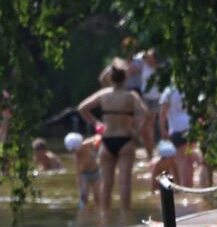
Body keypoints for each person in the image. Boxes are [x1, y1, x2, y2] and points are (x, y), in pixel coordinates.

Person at [77, 62, 147, 210]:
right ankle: (125, 216)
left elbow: (82, 108)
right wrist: (137, 132)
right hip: (126, 138)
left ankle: (104, 217)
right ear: (125, 79)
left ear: (111, 79)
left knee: (106, 183)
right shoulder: (131, 96)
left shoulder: (104, 95)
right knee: (124, 182)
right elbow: (145, 114)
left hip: (107, 139)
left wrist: (96, 123)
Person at [159, 82, 193, 187]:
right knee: (189, 160)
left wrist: (163, 129)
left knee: (181, 161)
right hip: (190, 127)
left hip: (176, 129)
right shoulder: (189, 88)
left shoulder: (168, 91)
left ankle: (184, 187)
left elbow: (163, 112)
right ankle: (189, 186)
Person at [66, 131, 101, 207]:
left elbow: (98, 137)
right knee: (84, 199)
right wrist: (81, 190)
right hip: (84, 176)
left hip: (96, 173)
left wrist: (98, 139)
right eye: (72, 151)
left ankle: (99, 215)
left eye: (74, 150)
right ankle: (83, 214)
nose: (74, 152)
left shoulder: (88, 144)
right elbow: (78, 175)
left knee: (98, 197)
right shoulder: (77, 159)